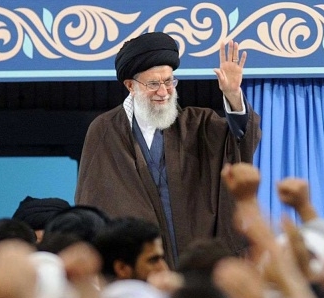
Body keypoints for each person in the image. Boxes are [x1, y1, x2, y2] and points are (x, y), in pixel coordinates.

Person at [75, 32, 261, 268]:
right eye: (153, 84)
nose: (163, 92)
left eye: (169, 81)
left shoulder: (197, 124)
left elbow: (240, 140)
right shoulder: (105, 130)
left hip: (197, 266)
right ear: (131, 86)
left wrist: (233, 95)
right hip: (139, 268)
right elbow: (93, 201)